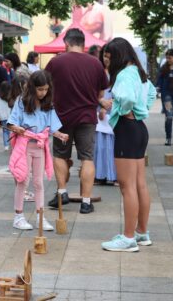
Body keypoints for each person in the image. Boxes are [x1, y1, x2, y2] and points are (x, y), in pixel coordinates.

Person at [101, 37, 156, 252]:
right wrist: (141, 111)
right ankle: (141, 233)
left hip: (127, 128)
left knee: (127, 186)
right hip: (139, 129)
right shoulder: (138, 71)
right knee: (140, 184)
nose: (106, 61)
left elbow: (127, 98)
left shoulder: (124, 74)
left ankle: (128, 238)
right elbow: (150, 93)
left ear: (118, 56)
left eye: (108, 57)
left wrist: (123, 109)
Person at [45, 28, 108, 214]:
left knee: (60, 155)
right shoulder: (95, 63)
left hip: (62, 117)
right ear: (83, 43)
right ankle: (86, 202)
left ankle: (62, 193)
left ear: (66, 43)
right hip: (87, 117)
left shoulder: (55, 62)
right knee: (87, 158)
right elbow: (101, 93)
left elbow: (45, 87)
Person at [8, 71, 69, 231]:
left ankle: (40, 217)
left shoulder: (48, 104)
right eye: (40, 89)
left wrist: (60, 134)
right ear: (32, 87)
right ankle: (18, 216)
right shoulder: (21, 101)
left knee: (38, 182)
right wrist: (17, 128)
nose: (43, 93)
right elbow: (11, 123)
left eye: (46, 89)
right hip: (25, 145)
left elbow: (51, 127)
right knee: (22, 181)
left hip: (40, 146)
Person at [94, 45, 117, 186]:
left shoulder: (119, 74)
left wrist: (109, 104)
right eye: (104, 56)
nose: (106, 59)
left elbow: (122, 95)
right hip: (99, 115)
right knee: (100, 146)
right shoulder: (99, 72)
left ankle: (113, 175)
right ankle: (100, 175)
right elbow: (93, 92)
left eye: (109, 56)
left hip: (114, 114)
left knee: (112, 146)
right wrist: (101, 103)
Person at [0, 81, 12, 151]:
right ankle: (12, 143)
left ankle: (6, 145)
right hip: (11, 117)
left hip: (3, 117)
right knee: (11, 131)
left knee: (5, 132)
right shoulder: (11, 97)